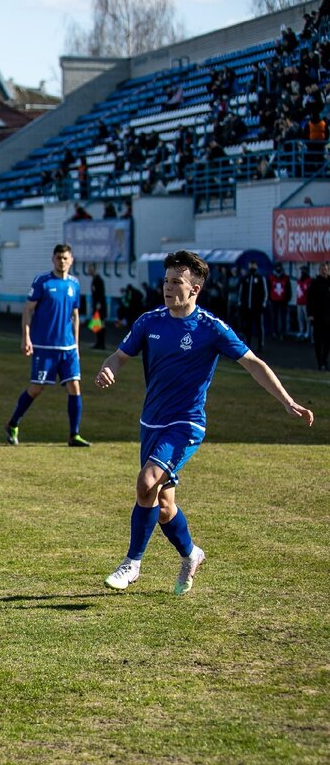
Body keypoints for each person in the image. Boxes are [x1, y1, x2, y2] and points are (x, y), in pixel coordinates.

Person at [96, 250, 313, 595]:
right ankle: (191, 554)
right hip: (151, 423)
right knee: (164, 507)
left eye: (176, 282)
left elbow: (253, 363)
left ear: (194, 289)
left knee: (146, 481)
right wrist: (110, 368)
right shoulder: (148, 322)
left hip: (187, 424)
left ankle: (132, 563)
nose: (168, 288)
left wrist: (287, 401)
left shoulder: (211, 329)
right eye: (166, 281)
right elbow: (120, 356)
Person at [4, 243, 89, 447]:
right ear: (53, 259)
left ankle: (74, 435)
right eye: (59, 257)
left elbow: (75, 315)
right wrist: (26, 337)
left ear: (71, 260)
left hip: (68, 347)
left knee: (74, 386)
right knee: (36, 388)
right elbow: (28, 310)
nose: (62, 261)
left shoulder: (74, 284)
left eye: (65, 258)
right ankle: (13, 423)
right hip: (44, 346)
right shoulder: (42, 282)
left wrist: (76, 345)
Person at [238, 260, 267, 352]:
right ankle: (248, 345)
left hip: (258, 308)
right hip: (247, 308)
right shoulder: (245, 278)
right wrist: (240, 303)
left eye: (253, 265)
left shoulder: (260, 278)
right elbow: (241, 292)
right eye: (250, 265)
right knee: (248, 328)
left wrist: (263, 304)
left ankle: (260, 345)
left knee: (259, 327)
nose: (252, 267)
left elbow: (265, 292)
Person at [308, 262, 330, 370]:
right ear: (319, 270)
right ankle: (320, 363)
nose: (324, 271)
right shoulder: (315, 283)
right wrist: (310, 314)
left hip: (328, 318)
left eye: (325, 269)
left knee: (327, 342)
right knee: (318, 342)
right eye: (322, 269)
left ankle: (325, 361)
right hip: (317, 318)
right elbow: (310, 300)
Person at [89, 266, 107, 349]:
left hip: (99, 307)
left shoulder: (98, 280)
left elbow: (101, 293)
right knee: (96, 325)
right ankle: (98, 342)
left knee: (100, 324)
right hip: (96, 306)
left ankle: (101, 343)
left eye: (91, 270)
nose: (89, 272)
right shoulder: (94, 280)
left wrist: (99, 303)